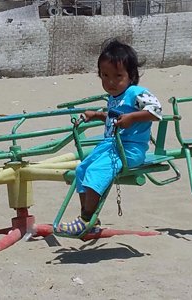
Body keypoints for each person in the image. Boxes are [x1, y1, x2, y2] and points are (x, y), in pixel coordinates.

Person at [57, 39, 163, 236]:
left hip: (129, 150)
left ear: (131, 76)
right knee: (81, 169)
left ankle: (85, 219)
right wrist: (98, 115)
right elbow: (114, 118)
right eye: (105, 76)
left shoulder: (136, 93)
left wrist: (132, 117)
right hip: (111, 146)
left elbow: (156, 111)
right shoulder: (115, 98)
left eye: (118, 76)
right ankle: (90, 218)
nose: (111, 82)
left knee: (95, 171)